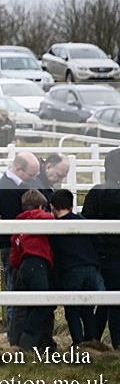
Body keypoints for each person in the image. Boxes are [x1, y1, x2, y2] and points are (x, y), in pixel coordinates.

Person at [0, 151, 39, 343]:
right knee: (15, 292)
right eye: (31, 175)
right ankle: (14, 339)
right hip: (12, 248)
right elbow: (14, 222)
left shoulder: (17, 185)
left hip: (20, 246)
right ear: (18, 169)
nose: (34, 180)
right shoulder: (6, 190)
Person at [49, 188, 100, 345]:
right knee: (87, 309)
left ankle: (78, 343)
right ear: (71, 206)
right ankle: (92, 340)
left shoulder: (54, 228)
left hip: (72, 271)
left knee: (72, 310)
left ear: (52, 207)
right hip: (91, 268)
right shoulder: (83, 222)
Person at [81, 148, 120, 348]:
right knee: (114, 301)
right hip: (111, 254)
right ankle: (115, 343)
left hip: (102, 253)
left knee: (108, 299)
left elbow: (87, 220)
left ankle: (94, 338)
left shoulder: (97, 192)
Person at [9, 189, 55, 350]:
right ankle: (27, 338)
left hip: (23, 266)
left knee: (30, 305)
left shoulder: (19, 224)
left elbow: (14, 253)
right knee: (45, 303)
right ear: (41, 207)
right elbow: (50, 219)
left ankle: (31, 343)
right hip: (37, 264)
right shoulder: (41, 218)